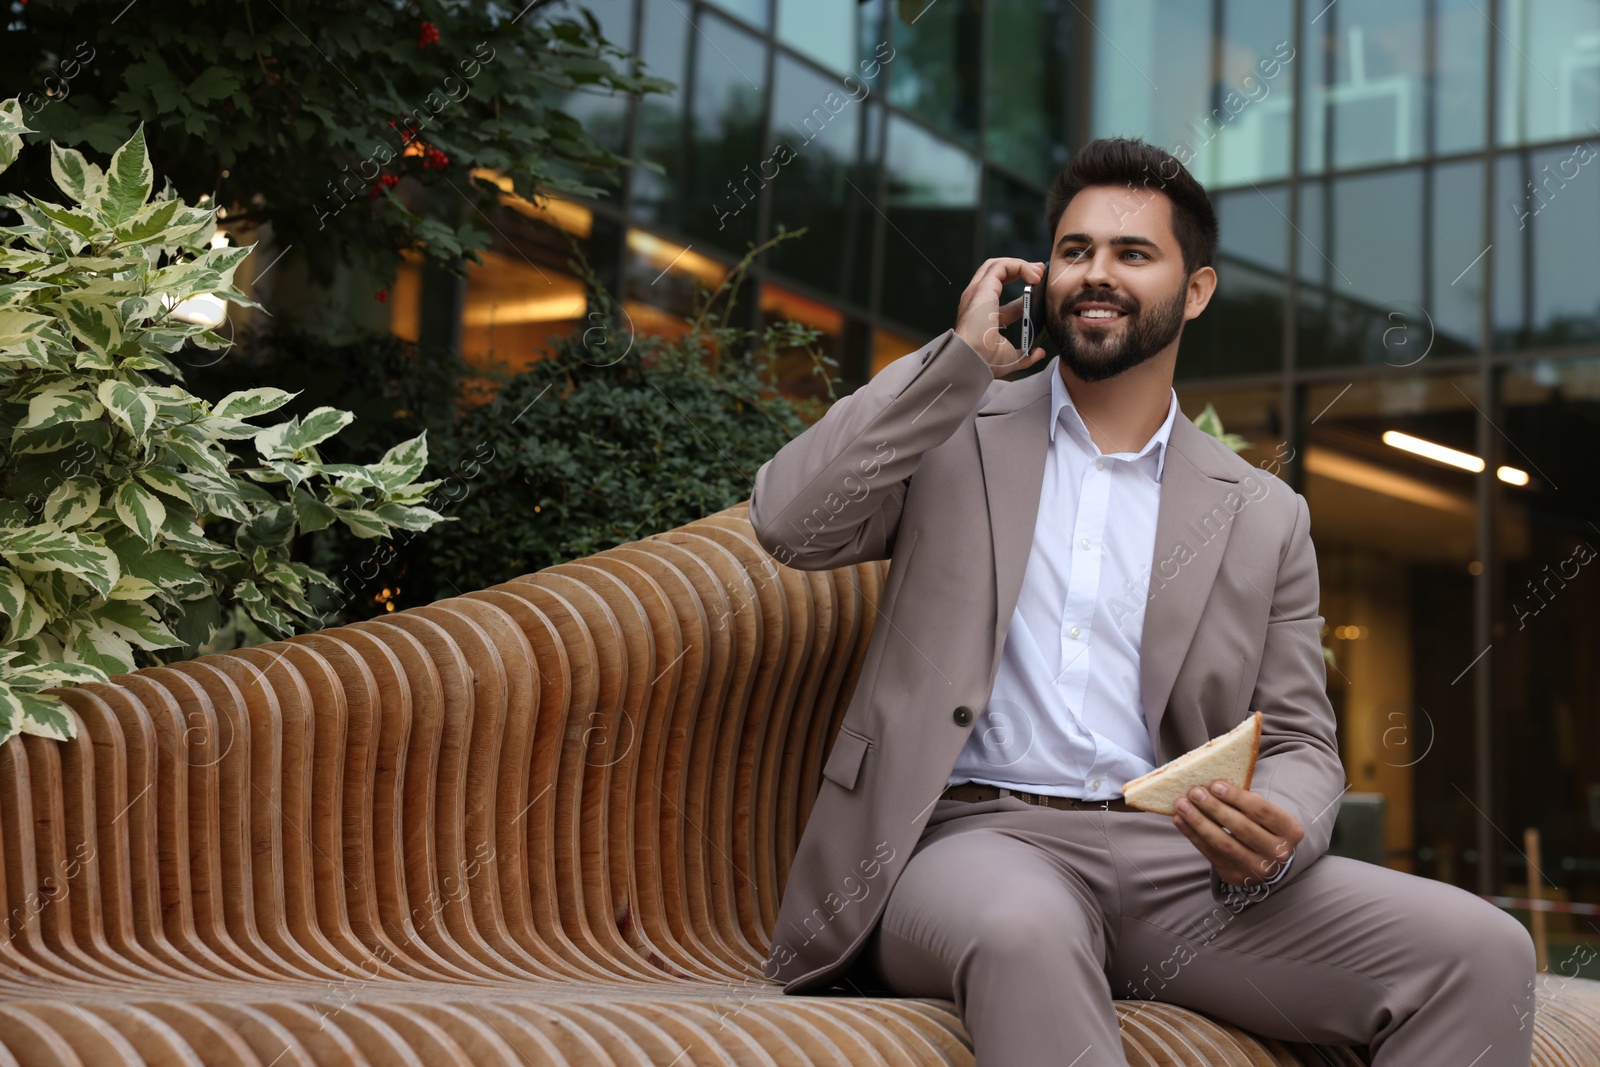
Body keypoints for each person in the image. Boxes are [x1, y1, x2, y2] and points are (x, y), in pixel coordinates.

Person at [746, 137, 1536, 1066]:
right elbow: (791, 522)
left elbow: (1298, 740)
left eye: (1132, 253)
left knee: (1484, 950)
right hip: (971, 846)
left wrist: (1280, 825)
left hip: (1182, 866)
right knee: (1026, 930)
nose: (1096, 274)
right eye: (1075, 251)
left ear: (1194, 290)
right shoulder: (952, 433)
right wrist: (958, 361)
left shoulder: (1262, 514)